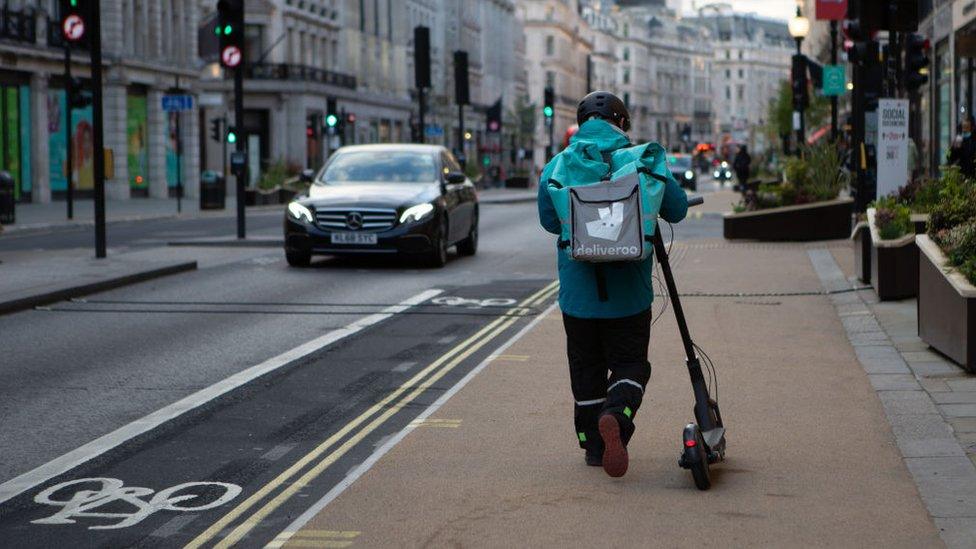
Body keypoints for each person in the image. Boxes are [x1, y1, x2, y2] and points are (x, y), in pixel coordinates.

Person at [537, 91, 689, 478]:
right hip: (630, 294)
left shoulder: (557, 165)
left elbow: (550, 222)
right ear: (622, 124)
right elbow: (677, 209)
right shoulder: (642, 160)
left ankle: (593, 447)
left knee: (585, 367)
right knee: (631, 364)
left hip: (578, 296)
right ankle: (616, 415)